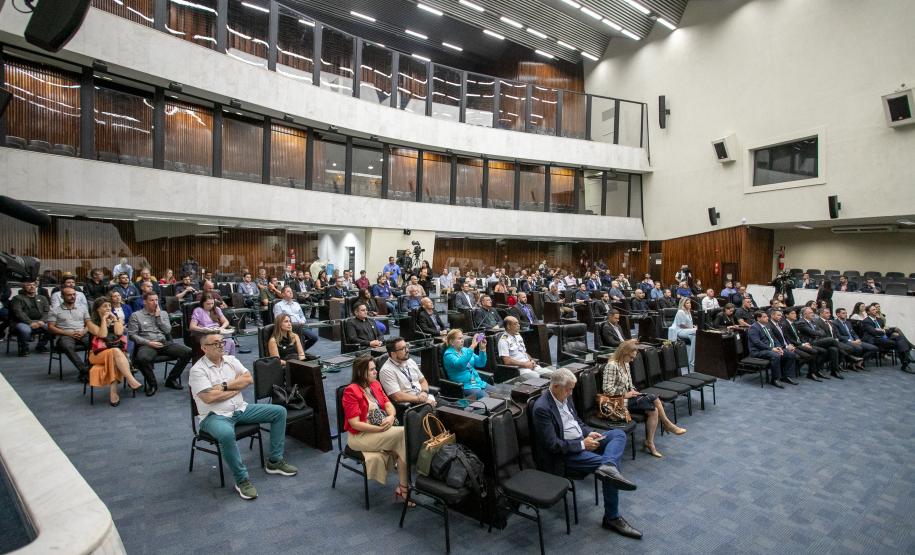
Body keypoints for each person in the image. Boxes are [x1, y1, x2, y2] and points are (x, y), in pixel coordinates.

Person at [532, 368, 641, 539]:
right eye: (568, 389)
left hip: (582, 441)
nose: (571, 393)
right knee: (606, 469)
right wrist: (582, 444)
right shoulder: (542, 408)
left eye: (572, 389)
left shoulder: (565, 397)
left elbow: (577, 422)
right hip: (565, 455)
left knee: (618, 434)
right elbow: (553, 446)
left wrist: (589, 433)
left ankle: (609, 465)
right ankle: (612, 518)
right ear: (555, 387)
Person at [190, 333, 297, 500]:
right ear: (204, 348)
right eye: (215, 343)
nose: (221, 345)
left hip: (241, 409)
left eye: (222, 342)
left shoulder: (231, 360)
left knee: (279, 412)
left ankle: (275, 461)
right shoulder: (197, 370)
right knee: (226, 434)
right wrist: (235, 389)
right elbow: (209, 397)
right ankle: (241, 480)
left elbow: (248, 379)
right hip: (214, 416)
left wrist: (224, 387)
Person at [341, 355, 411, 503]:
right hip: (360, 436)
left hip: (379, 428)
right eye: (372, 370)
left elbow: (388, 404)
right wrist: (380, 430)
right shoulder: (350, 391)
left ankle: (403, 487)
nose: (376, 372)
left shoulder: (375, 384)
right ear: (361, 372)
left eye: (375, 369)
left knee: (404, 440)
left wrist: (391, 416)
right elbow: (355, 424)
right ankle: (405, 488)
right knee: (404, 435)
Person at [603, 340, 685, 457]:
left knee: (653, 410)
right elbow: (607, 389)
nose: (632, 360)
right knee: (653, 397)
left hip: (629, 398)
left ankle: (650, 442)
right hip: (617, 402)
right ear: (624, 353)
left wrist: (633, 390)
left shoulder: (626, 363)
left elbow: (629, 384)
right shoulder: (611, 366)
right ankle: (667, 424)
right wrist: (625, 394)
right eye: (631, 357)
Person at [128, 292, 193, 395]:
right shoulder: (136, 315)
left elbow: (167, 331)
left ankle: (171, 379)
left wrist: (158, 317)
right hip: (147, 344)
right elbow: (132, 335)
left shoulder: (163, 313)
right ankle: (152, 384)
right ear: (144, 302)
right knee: (142, 358)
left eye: (156, 300)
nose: (155, 303)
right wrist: (149, 343)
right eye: (152, 300)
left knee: (188, 352)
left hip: (163, 342)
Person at [86, 296, 143, 405]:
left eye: (109, 306)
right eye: (105, 306)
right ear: (97, 309)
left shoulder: (117, 319)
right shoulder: (90, 323)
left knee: (114, 356)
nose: (108, 308)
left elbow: (119, 333)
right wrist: (104, 320)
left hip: (115, 353)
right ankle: (131, 379)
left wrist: (116, 320)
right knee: (115, 352)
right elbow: (103, 334)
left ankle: (113, 393)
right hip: (97, 354)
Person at [47, 286, 91, 381]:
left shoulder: (82, 308)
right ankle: (84, 370)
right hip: (65, 335)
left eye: (74, 294)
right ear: (62, 296)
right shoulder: (55, 310)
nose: (72, 296)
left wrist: (83, 331)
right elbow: (50, 327)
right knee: (67, 346)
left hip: (82, 333)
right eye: (69, 295)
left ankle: (86, 369)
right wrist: (68, 333)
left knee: (96, 344)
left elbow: (89, 323)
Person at [379, 337, 435, 407]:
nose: (407, 350)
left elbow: (422, 381)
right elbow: (397, 396)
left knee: (447, 406)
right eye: (402, 349)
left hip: (424, 397)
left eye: (406, 347)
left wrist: (424, 392)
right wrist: (420, 399)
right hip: (411, 405)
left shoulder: (410, 361)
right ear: (393, 354)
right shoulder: (386, 370)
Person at [748, 311, 797, 388]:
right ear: (758, 318)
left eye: (767, 316)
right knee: (776, 356)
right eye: (764, 317)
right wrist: (772, 349)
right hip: (758, 351)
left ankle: (786, 376)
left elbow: (774, 338)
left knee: (790, 354)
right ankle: (775, 379)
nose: (767, 318)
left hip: (771, 348)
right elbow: (757, 343)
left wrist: (779, 347)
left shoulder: (767, 325)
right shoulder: (753, 328)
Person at [860, 304, 912, 372]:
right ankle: (906, 362)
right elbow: (874, 332)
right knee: (899, 342)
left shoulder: (879, 320)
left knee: (899, 338)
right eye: (873, 310)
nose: (876, 310)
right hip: (874, 339)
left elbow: (885, 330)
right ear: (868, 312)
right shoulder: (866, 321)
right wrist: (884, 331)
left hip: (883, 338)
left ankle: (906, 362)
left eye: (875, 309)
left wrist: (883, 330)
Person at [781, 307, 829, 381]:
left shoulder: (794, 323)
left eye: (795, 313)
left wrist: (804, 343)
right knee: (813, 352)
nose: (795, 315)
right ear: (787, 315)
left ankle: (816, 370)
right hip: (794, 345)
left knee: (823, 351)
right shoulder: (785, 324)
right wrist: (802, 345)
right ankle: (811, 372)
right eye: (792, 313)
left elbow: (800, 336)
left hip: (800, 343)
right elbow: (789, 339)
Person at [797, 307, 842, 378]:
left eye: (812, 312)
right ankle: (847, 354)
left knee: (834, 349)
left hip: (818, 341)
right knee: (831, 339)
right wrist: (818, 333)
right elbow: (812, 332)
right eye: (810, 313)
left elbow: (822, 332)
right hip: (810, 343)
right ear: (805, 314)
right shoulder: (801, 322)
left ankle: (834, 371)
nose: (813, 314)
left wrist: (818, 333)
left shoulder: (813, 321)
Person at [443, 329, 488, 399]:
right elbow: (460, 364)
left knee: (499, 394)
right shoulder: (448, 355)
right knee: (489, 399)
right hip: (465, 386)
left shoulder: (465, 350)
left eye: (462, 338)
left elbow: (481, 363)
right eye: (459, 338)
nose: (462, 340)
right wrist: (472, 346)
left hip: (478, 383)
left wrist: (482, 349)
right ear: (451, 342)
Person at [10, 280, 50, 357]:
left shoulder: (42, 298)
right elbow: (18, 313)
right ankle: (24, 349)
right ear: (23, 287)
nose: (32, 287)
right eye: (28, 285)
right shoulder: (17, 298)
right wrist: (30, 322)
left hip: (40, 321)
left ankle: (41, 345)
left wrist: (42, 321)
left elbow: (47, 312)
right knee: (25, 330)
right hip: (22, 322)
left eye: (33, 285)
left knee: (52, 328)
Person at [273, 286, 319, 350]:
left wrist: (302, 321)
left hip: (301, 325)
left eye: (291, 291)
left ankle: (301, 350)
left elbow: (302, 316)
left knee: (314, 337)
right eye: (288, 291)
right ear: (283, 294)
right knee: (308, 337)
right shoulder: (278, 305)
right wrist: (294, 324)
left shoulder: (296, 304)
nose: (291, 292)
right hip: (290, 327)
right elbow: (279, 320)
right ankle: (299, 351)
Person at [668, 298, 697, 369]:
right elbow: (681, 325)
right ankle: (691, 361)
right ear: (683, 304)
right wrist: (692, 328)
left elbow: (689, 323)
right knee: (695, 331)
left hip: (687, 330)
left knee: (695, 336)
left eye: (689, 303)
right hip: (680, 331)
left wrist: (693, 327)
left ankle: (692, 360)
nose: (689, 304)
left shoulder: (688, 311)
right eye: (687, 303)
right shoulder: (680, 312)